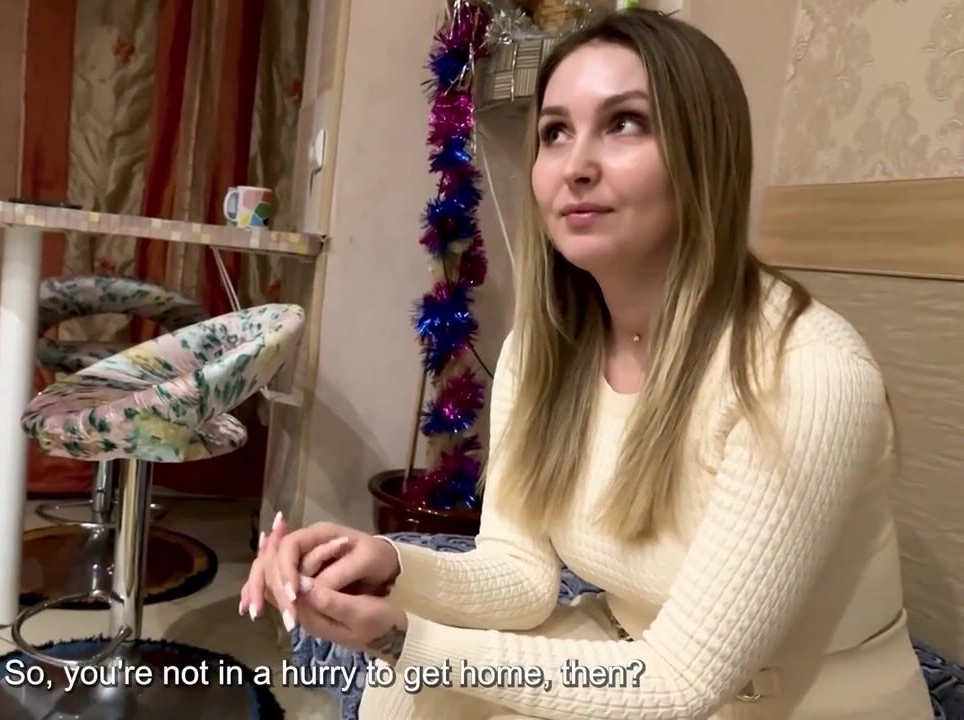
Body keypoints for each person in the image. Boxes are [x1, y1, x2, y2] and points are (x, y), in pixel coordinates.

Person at [239, 9, 935, 720]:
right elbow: (521, 577)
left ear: (705, 155)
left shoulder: (808, 374)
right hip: (629, 644)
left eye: (624, 123)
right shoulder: (544, 350)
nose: (575, 166)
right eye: (555, 132)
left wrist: (403, 637)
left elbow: (679, 684)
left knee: (414, 664)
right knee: (406, 692)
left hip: (785, 702)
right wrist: (388, 564)